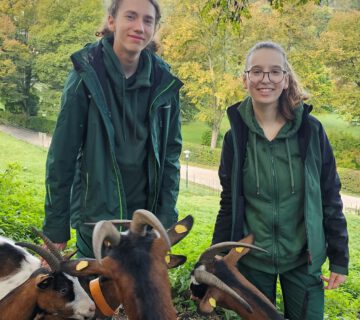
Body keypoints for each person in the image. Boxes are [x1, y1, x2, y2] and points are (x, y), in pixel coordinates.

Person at [212, 41, 349, 320]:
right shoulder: (235, 138)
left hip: (302, 260)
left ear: (286, 79)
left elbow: (329, 196)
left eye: (275, 72)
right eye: (257, 71)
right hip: (252, 261)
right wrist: (216, 257)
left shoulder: (311, 131)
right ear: (245, 79)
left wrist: (339, 258)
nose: (266, 79)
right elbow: (229, 202)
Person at [43, 0, 183, 258]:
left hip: (144, 224)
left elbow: (171, 159)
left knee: (134, 296)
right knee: (93, 294)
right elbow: (61, 158)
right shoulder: (85, 76)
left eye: (147, 20)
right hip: (96, 222)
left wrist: (164, 220)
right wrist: (55, 228)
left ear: (154, 28)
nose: (139, 27)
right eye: (130, 17)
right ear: (111, 20)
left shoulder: (165, 83)